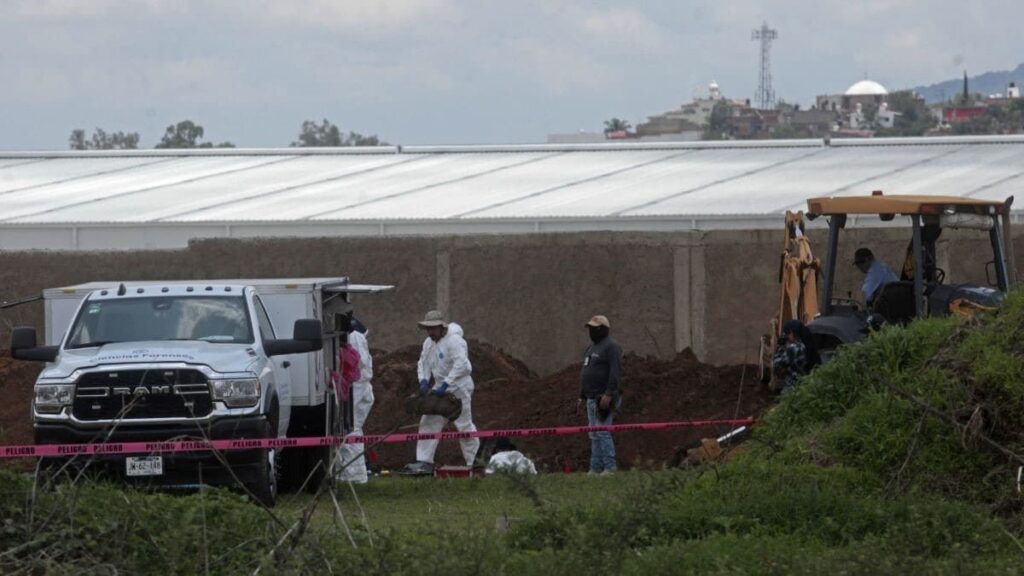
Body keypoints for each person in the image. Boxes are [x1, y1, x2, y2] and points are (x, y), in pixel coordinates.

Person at [401, 310, 479, 475]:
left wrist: (447, 383)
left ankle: (475, 462)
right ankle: (424, 462)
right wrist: (423, 380)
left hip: (459, 388)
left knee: (464, 426)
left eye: (433, 328)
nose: (430, 332)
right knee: (429, 421)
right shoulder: (428, 343)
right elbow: (423, 362)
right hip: (439, 388)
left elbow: (462, 365)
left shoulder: (455, 341)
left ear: (441, 327)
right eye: (427, 329)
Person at [578, 314, 623, 475]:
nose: (591, 332)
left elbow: (615, 372)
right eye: (590, 328)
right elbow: (586, 372)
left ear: (603, 329)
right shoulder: (590, 348)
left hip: (604, 398)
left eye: (594, 328)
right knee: (594, 434)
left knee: (602, 431)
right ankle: (595, 467)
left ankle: (610, 467)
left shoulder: (611, 347)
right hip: (591, 398)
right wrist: (582, 396)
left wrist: (609, 394)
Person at [335, 315, 375, 484]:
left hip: (357, 387)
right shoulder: (354, 336)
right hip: (356, 387)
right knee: (349, 431)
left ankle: (356, 476)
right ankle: (348, 474)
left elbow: (359, 362)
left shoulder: (355, 337)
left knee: (352, 430)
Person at [773, 319, 810, 394]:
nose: (787, 336)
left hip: (794, 388)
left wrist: (781, 346)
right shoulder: (807, 344)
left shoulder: (794, 348)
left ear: (792, 333)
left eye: (787, 333)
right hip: (806, 385)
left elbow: (777, 364)